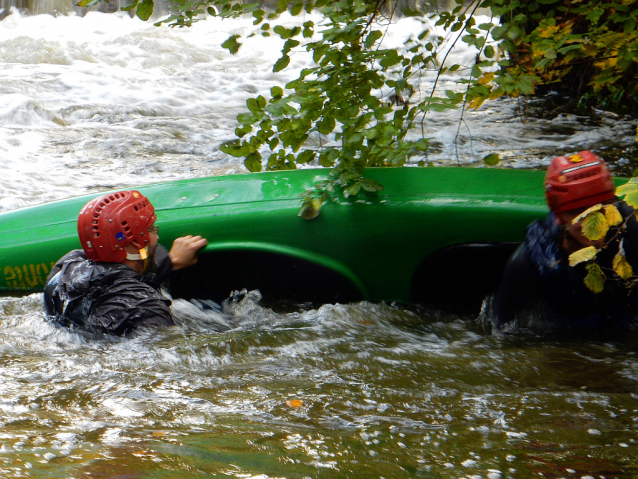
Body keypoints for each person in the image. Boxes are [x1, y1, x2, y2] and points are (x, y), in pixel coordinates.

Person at [486, 150, 638, 333]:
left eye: (600, 210)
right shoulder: (532, 260)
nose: (593, 223)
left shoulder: (631, 229)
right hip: (566, 338)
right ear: (559, 217)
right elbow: (499, 329)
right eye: (579, 213)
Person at [44, 190, 208, 335]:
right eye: (152, 229)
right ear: (137, 242)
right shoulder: (146, 309)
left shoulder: (64, 270)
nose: (157, 237)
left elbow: (114, 281)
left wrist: (170, 263)